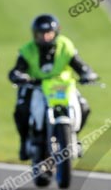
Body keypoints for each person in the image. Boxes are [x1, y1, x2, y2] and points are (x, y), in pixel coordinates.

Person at [8, 14, 98, 160]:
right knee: (21, 109)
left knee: (84, 106)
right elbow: (17, 69)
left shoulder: (65, 46)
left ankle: (73, 136)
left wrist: (87, 74)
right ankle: (24, 142)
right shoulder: (27, 50)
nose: (44, 37)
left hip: (61, 86)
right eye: (40, 34)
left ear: (55, 33)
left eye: (48, 34)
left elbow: (80, 65)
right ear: (34, 34)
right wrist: (19, 76)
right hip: (36, 87)